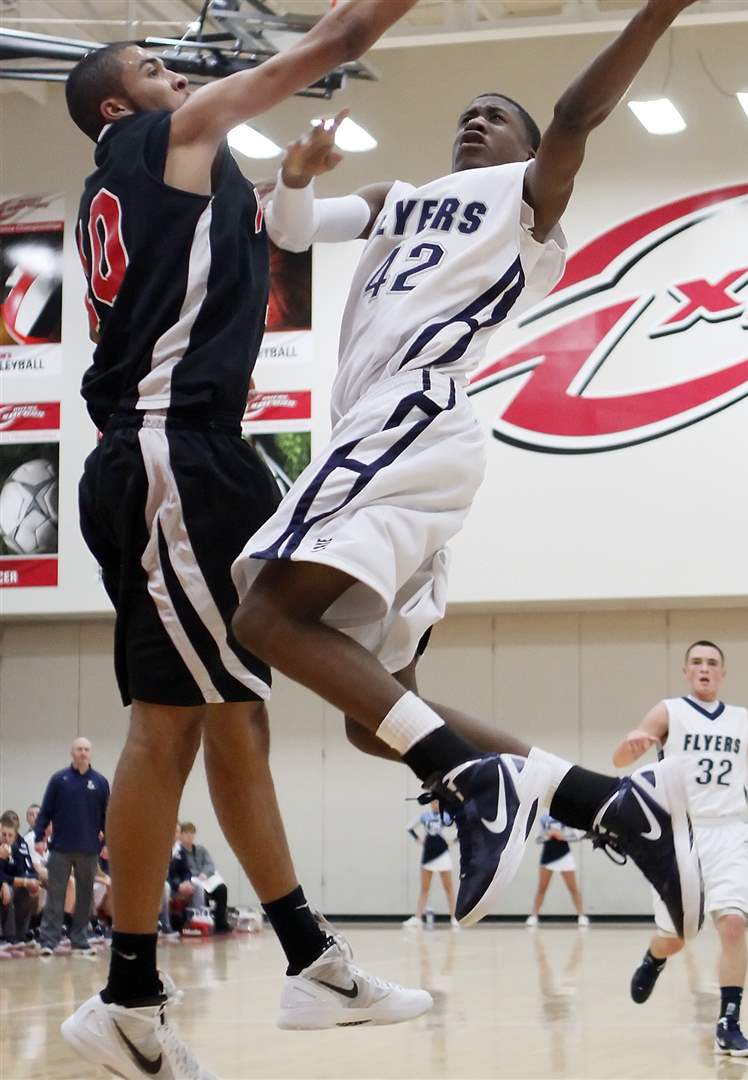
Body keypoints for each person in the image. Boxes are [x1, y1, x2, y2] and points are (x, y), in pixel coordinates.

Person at [231, 0, 704, 945]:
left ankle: (479, 784)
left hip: (409, 414)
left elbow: (575, 119)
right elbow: (288, 231)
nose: (474, 120)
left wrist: (656, 15)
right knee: (378, 721)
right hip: (387, 436)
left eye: (498, 113)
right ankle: (614, 806)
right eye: (467, 113)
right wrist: (290, 174)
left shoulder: (526, 203)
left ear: (527, 146)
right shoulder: (399, 199)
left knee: (264, 618)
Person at [60, 4, 434, 1075]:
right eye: (150, 65)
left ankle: (305, 960)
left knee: (233, 718)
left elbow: (248, 242)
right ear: (120, 105)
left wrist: (299, 186)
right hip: (170, 453)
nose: (174, 69)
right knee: (170, 728)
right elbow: (332, 42)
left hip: (193, 454)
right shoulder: (151, 141)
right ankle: (131, 993)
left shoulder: (177, 175)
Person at [613, 641, 748, 1057]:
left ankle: (729, 1023)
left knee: (731, 923)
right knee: (678, 937)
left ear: (722, 673)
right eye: (697, 663)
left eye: (712, 664)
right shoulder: (669, 711)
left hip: (730, 832)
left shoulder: (742, 719)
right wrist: (632, 744)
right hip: (680, 836)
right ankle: (655, 958)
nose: (704, 669)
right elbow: (620, 758)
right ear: (686, 671)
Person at [33, 737, 109, 959]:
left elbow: (107, 817)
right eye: (79, 749)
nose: (83, 753)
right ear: (72, 753)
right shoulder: (59, 780)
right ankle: (48, 941)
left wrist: (108, 845)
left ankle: (80, 940)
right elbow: (46, 810)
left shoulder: (101, 782)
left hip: (89, 849)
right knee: (56, 894)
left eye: (86, 749)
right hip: (60, 849)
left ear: (90, 753)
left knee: (85, 896)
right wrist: (39, 837)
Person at [525, 816, 588, 927]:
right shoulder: (544, 819)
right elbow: (537, 838)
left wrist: (562, 836)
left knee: (573, 888)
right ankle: (534, 916)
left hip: (564, 855)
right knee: (542, 887)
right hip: (548, 855)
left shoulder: (567, 818)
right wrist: (548, 834)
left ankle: (581, 916)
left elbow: (578, 836)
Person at [403, 801, 458, 928]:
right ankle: (417, 917)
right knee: (425, 888)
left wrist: (454, 841)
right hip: (428, 854)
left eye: (437, 802)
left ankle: (454, 917)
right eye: (433, 802)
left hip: (443, 854)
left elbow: (463, 827)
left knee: (448, 888)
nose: (435, 804)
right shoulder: (424, 816)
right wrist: (418, 839)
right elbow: (409, 827)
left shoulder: (447, 816)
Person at [177, 822, 229, 932]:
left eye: (192, 833)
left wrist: (205, 873)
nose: (190, 836)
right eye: (186, 833)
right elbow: (183, 870)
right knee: (200, 891)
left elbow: (210, 864)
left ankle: (220, 922)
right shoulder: (179, 852)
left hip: (206, 879)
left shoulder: (201, 849)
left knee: (222, 889)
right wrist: (196, 875)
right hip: (192, 881)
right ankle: (204, 921)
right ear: (180, 835)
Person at [1, 811, 40, 955]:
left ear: (15, 835)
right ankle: (7, 938)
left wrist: (28, 882)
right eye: (3, 834)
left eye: (10, 835)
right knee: (8, 891)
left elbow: (22, 870)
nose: (6, 838)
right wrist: (4, 883)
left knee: (25, 890)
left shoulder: (17, 846)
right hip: (4, 884)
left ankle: (20, 936)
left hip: (10, 883)